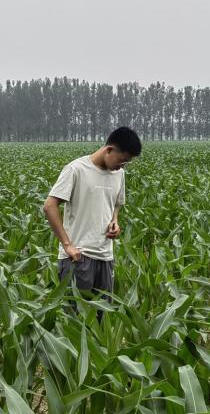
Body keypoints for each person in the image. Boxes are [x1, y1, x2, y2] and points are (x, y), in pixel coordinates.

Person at [43, 127, 141, 299]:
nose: (122, 166)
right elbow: (50, 206)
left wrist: (115, 221)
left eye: (126, 163)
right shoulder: (76, 169)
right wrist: (67, 245)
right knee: (75, 313)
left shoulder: (119, 174)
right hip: (78, 257)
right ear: (109, 150)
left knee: (104, 313)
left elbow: (116, 203)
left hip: (106, 257)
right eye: (122, 161)